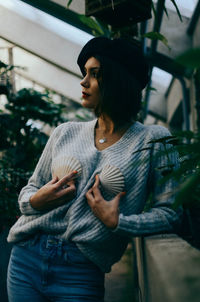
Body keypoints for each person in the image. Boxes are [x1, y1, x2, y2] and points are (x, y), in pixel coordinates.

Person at [7, 37, 182, 302]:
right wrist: (35, 200)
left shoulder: (155, 140)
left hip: (81, 271)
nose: (83, 81)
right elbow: (30, 189)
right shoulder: (64, 133)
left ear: (118, 81)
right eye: (84, 73)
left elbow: (171, 212)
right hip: (26, 259)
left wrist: (120, 222)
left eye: (94, 74)